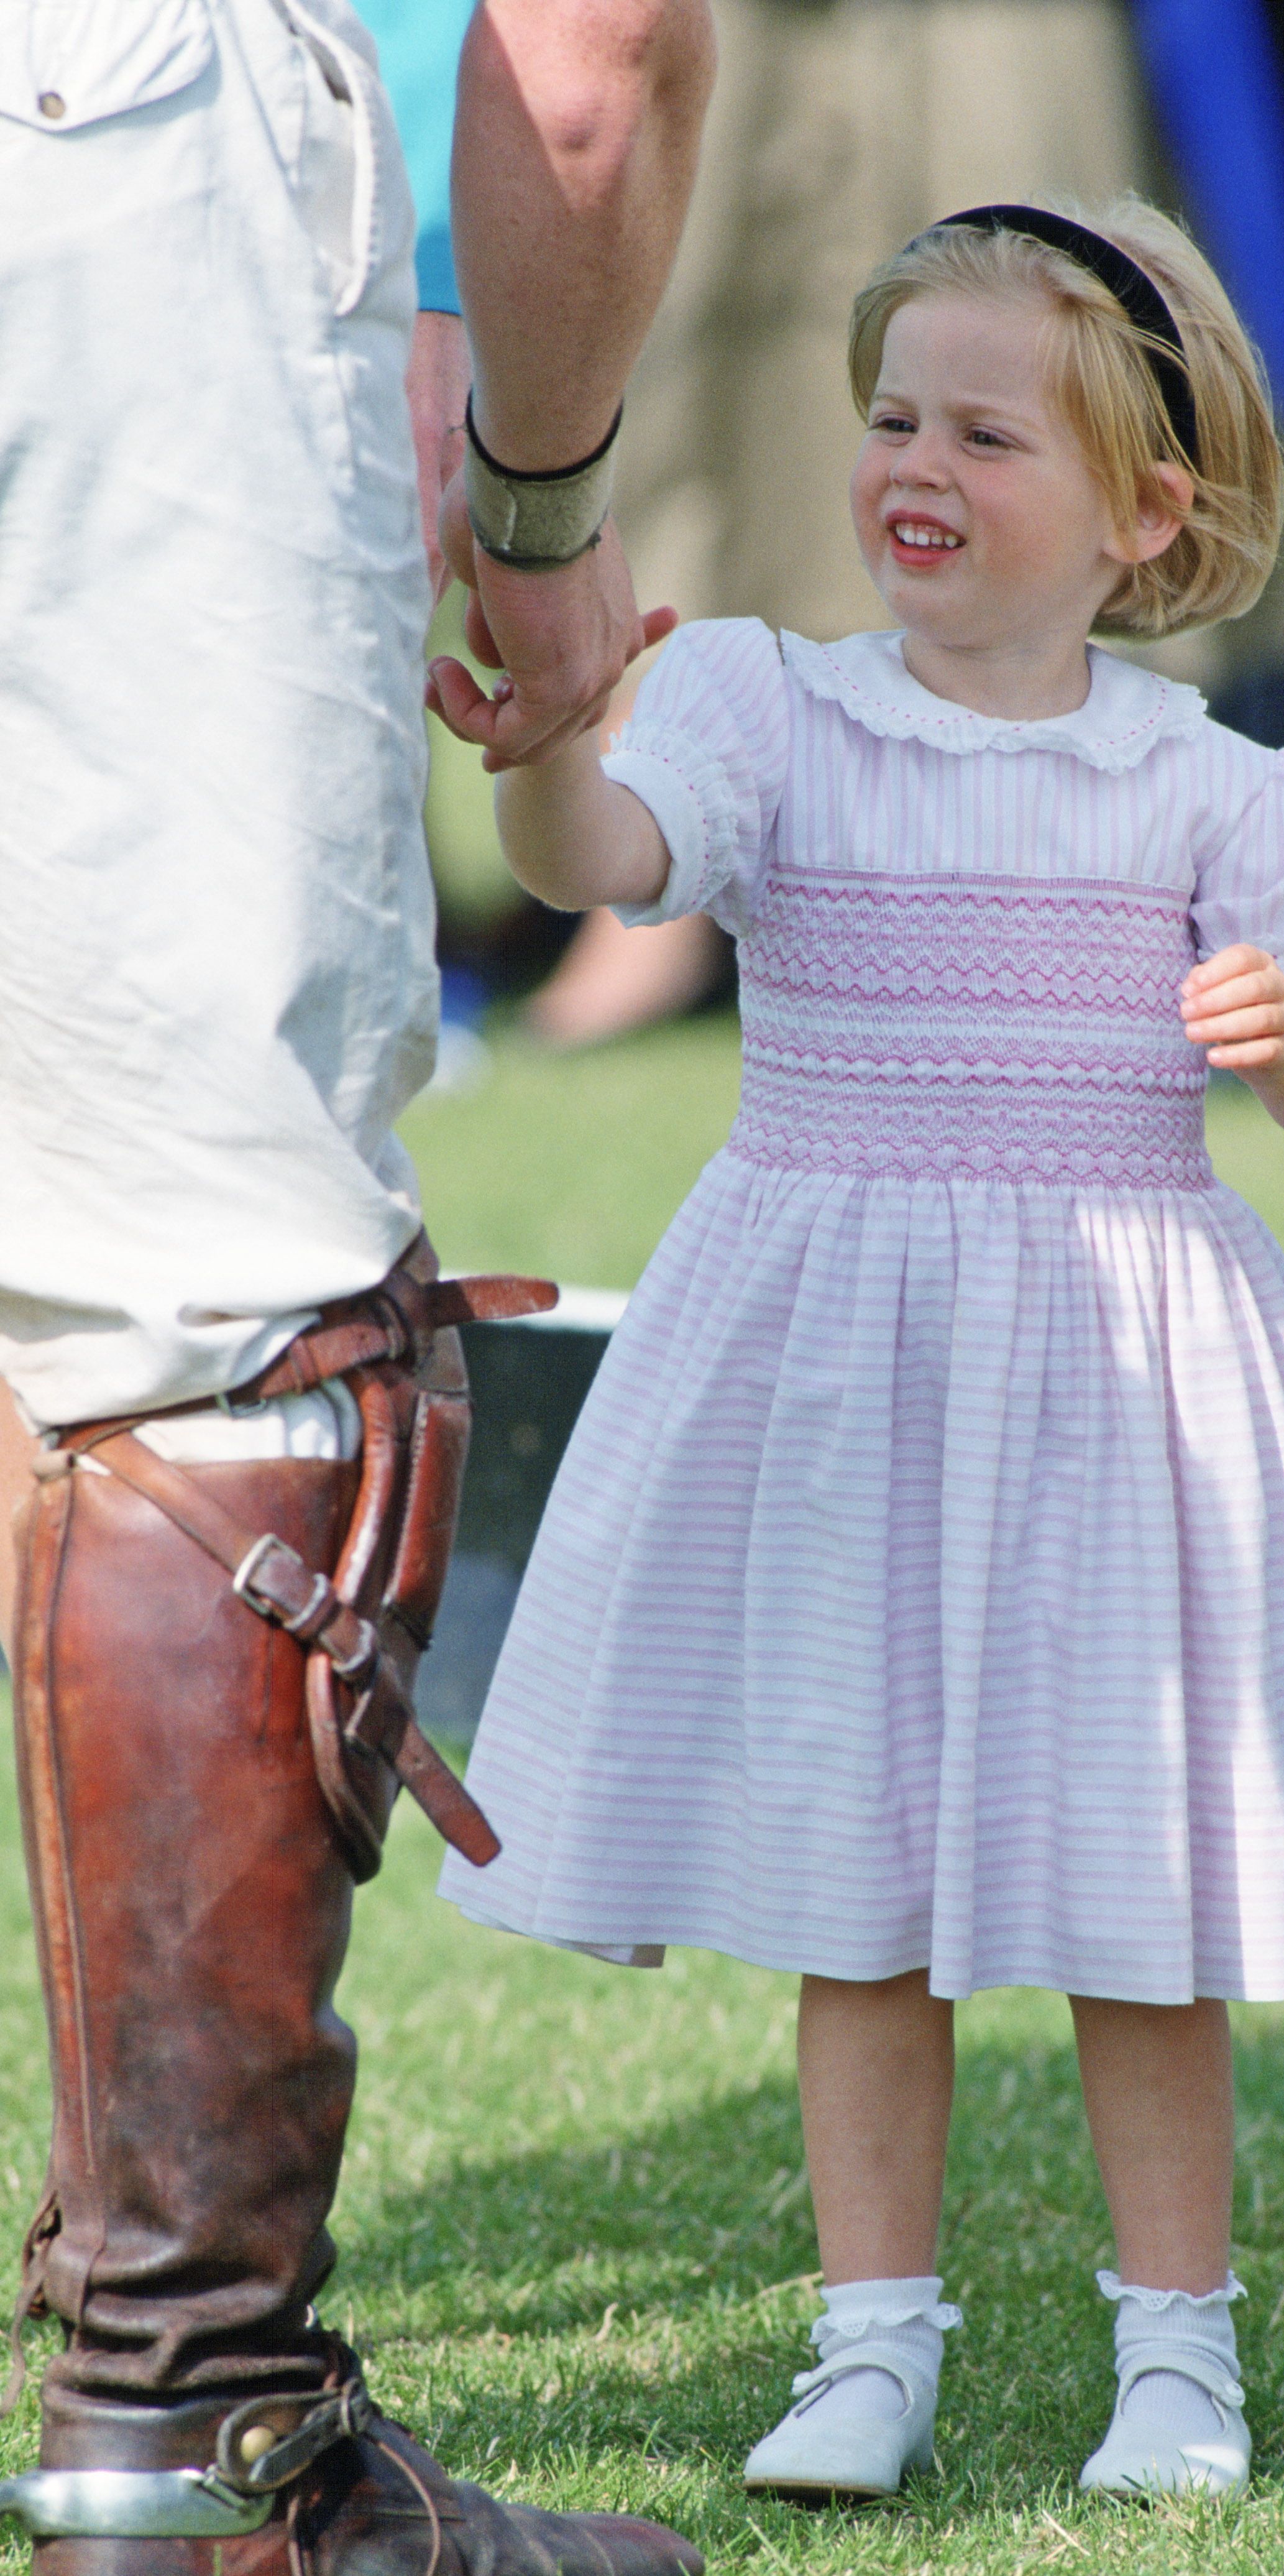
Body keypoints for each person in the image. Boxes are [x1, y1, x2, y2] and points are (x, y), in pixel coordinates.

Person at [434, 199, 1284, 2503]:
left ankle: (1175, 2357)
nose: (919, 459)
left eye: (987, 431)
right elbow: (611, 851)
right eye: (896, 413)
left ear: (1139, 510)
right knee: (858, 1875)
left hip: (1116, 1386)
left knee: (1133, 1882)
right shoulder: (779, 717)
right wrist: (537, 742)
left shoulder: (1210, 781)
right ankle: (868, 2341)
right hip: (844, 1372)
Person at [0, 1, 711, 2570]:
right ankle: (192, 2421)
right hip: (113, 157)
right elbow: (590, 51)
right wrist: (542, 508)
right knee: (214, 1297)